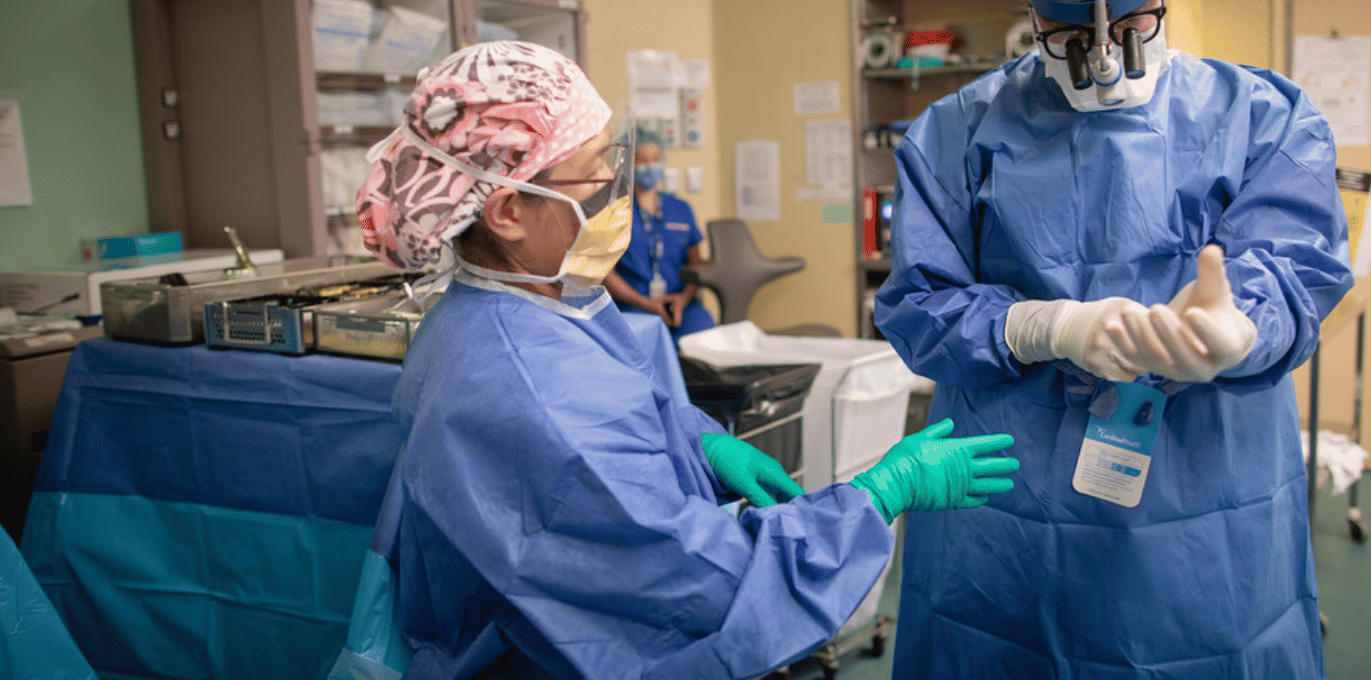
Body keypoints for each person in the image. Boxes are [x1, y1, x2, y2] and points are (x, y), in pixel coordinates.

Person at [349, 40, 1019, 680]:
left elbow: (618, 408)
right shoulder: (532, 388)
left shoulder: (516, 306)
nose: (616, 183)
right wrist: (877, 496)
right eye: (593, 171)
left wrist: (703, 444)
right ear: (508, 211)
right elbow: (711, 588)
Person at [874, 0, 1355, 679]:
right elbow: (921, 303)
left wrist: (1241, 326)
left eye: (1132, 23)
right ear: (1027, 4)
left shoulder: (1263, 117)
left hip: (1205, 495)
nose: (1104, 57)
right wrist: (1046, 327)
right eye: (1071, 37)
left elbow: (1296, 266)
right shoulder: (953, 132)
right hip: (1009, 504)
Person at [604, 134, 716, 340]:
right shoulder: (614, 210)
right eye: (642, 160)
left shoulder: (681, 209)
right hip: (634, 306)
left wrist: (683, 299)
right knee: (646, 346)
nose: (650, 166)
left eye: (655, 159)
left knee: (705, 334)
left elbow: (697, 265)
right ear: (629, 163)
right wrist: (646, 303)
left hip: (680, 304)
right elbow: (604, 272)